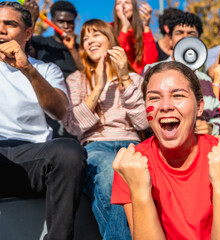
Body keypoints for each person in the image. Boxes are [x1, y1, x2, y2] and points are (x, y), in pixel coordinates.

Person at [111, 61, 220, 239]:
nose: (165, 106)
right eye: (154, 98)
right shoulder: (131, 164)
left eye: (178, 95)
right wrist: (140, 191)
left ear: (200, 107)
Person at [0, 2, 87, 240]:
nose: (1, 29)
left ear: (28, 33)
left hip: (34, 158)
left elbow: (59, 111)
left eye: (10, 24)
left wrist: (28, 70)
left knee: (69, 152)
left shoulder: (47, 70)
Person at [62, 19, 148, 239]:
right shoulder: (76, 80)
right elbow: (74, 126)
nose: (90, 40)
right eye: (86, 37)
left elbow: (143, 123)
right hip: (95, 147)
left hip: (132, 145)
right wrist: (98, 87)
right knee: (112, 172)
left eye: (96, 34)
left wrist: (125, 79)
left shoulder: (135, 79)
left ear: (110, 40)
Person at [143, 11, 220, 136]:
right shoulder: (151, 71)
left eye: (191, 33)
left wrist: (210, 128)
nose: (185, 37)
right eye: (179, 33)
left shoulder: (205, 80)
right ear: (170, 39)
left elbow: (217, 119)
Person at [25, 0, 82, 139]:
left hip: (77, 112)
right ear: (52, 21)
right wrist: (31, 19)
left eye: (70, 22)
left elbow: (87, 72)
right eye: (61, 21)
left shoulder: (81, 48)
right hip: (48, 111)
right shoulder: (39, 42)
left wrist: (72, 49)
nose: (66, 26)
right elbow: (25, 52)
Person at [112, 0, 158, 74]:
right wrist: (124, 28)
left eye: (127, 2)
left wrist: (146, 26)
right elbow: (114, 58)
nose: (123, 6)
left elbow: (151, 62)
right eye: (119, 3)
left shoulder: (142, 32)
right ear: (115, 8)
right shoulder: (110, 28)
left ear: (134, 8)